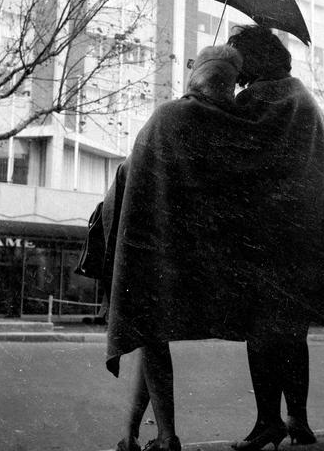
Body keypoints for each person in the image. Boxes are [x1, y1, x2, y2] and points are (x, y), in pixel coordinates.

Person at [226, 25, 324, 451]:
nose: (236, 68)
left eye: (238, 60)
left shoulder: (257, 100)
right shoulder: (304, 99)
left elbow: (230, 156)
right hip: (305, 246)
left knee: (260, 334)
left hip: (266, 243)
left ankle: (269, 421)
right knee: (292, 334)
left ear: (254, 60)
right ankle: (298, 421)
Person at [106, 44, 245, 451]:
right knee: (150, 335)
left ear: (196, 76)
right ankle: (130, 433)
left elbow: (134, 173)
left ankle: (166, 437)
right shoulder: (234, 127)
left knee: (151, 334)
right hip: (203, 255)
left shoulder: (167, 116)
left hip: (158, 247)